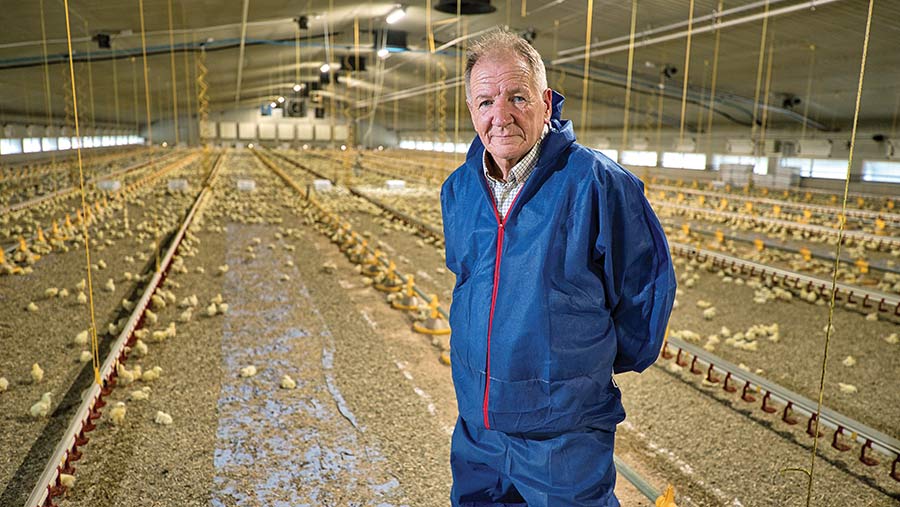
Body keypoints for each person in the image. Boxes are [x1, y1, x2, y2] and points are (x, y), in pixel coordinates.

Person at [440, 29, 677, 507]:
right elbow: (465, 279)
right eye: (485, 101)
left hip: (562, 434)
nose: (499, 115)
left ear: (546, 103)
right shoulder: (459, 189)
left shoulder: (597, 183)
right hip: (478, 427)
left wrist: (578, 371)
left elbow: (643, 295)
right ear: (471, 111)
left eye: (516, 97)